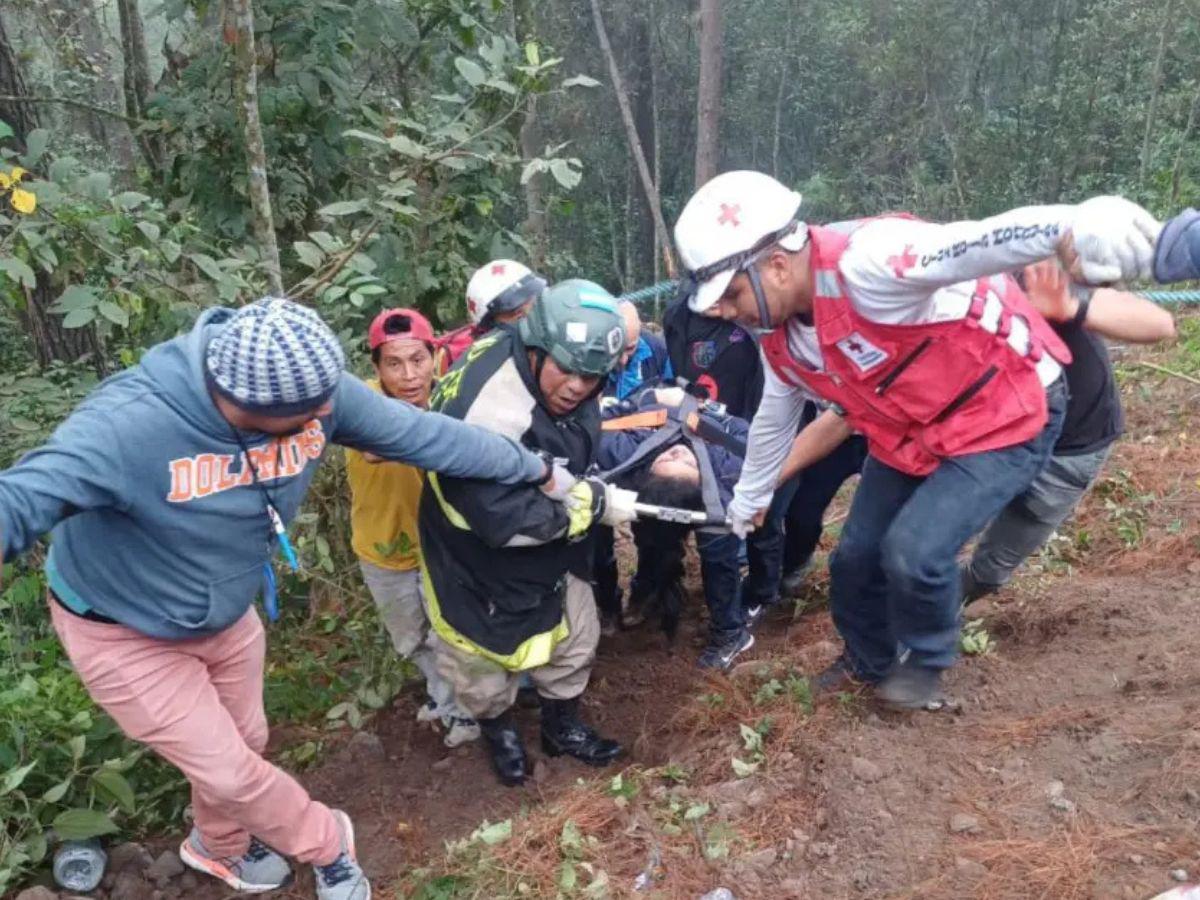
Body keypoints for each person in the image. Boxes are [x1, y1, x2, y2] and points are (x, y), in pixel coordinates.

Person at [0, 298, 559, 900]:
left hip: (225, 608)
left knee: (245, 743)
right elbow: (22, 498)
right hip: (123, 628)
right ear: (246, 407)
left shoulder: (313, 391)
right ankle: (328, 846)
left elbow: (426, 436)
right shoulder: (126, 426)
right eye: (309, 414)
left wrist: (534, 469)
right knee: (228, 771)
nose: (329, 416)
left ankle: (218, 844)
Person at [673, 169, 1160, 709]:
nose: (724, 311)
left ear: (778, 265)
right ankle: (868, 661)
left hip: (1004, 412)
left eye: (732, 293)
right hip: (913, 427)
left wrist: (1075, 224)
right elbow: (774, 415)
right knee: (854, 560)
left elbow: (978, 241)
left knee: (916, 550)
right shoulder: (780, 335)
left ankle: (925, 662)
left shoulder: (871, 260)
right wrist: (750, 495)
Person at [418, 279, 636, 787]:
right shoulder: (487, 414)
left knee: (575, 637)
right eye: (566, 369)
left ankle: (561, 728)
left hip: (551, 547)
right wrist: (591, 506)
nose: (578, 387)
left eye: (591, 376)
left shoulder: (546, 366)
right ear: (535, 347)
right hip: (473, 559)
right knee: (478, 665)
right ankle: (500, 732)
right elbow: (502, 520)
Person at [962, 261, 1176, 601]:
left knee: (989, 570)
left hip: (1069, 453)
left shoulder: (1025, 280)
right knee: (921, 549)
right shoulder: (913, 314)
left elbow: (1159, 324)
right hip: (989, 444)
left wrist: (1069, 308)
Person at [345, 307, 480, 747]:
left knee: (454, 634)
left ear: (434, 357)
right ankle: (445, 697)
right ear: (376, 368)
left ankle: (470, 712)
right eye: (394, 363)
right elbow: (373, 446)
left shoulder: (454, 399)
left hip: (444, 546)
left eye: (418, 360)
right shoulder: (360, 404)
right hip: (382, 546)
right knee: (411, 638)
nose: (408, 376)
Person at [595, 386, 757, 668]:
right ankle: (628, 597)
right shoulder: (728, 466)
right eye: (678, 461)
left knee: (719, 550)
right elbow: (748, 436)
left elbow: (597, 421)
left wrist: (649, 399)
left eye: (673, 460)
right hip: (681, 430)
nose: (678, 452)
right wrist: (715, 416)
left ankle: (729, 633)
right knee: (627, 532)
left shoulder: (723, 474)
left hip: (684, 416)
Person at [778, 401, 869, 596]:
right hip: (827, 432)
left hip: (886, 437)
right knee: (801, 512)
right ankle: (796, 563)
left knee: (875, 525)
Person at [434, 259, 546, 374]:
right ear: (490, 324)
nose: (529, 314)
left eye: (534, 302)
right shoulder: (468, 361)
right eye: (516, 312)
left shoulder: (549, 338)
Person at [604, 300, 673, 401]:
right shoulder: (590, 355)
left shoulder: (660, 353)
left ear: (639, 330)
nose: (623, 360)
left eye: (630, 348)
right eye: (616, 349)